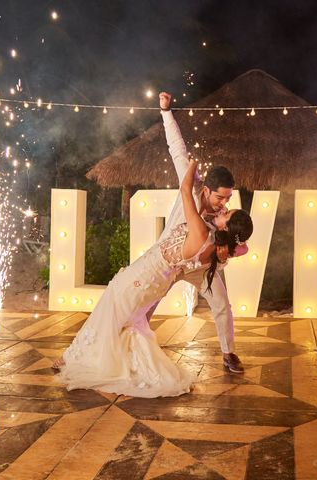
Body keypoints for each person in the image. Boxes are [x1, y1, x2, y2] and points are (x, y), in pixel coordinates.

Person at [53, 157, 253, 398]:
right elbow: (240, 247)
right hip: (155, 277)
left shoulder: (201, 231)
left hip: (148, 274)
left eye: (227, 210)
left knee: (113, 309)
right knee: (122, 316)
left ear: (226, 228)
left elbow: (185, 191)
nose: (223, 207)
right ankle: (92, 357)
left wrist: (191, 168)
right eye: (224, 202)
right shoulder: (212, 239)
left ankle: (79, 360)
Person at [146, 92, 247, 373]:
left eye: (228, 199)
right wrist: (166, 112)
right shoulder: (191, 187)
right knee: (148, 302)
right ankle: (132, 345)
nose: (224, 204)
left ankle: (229, 354)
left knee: (222, 303)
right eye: (220, 198)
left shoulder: (222, 217)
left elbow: (229, 250)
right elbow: (178, 150)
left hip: (200, 267)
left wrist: (228, 251)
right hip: (170, 260)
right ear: (206, 190)